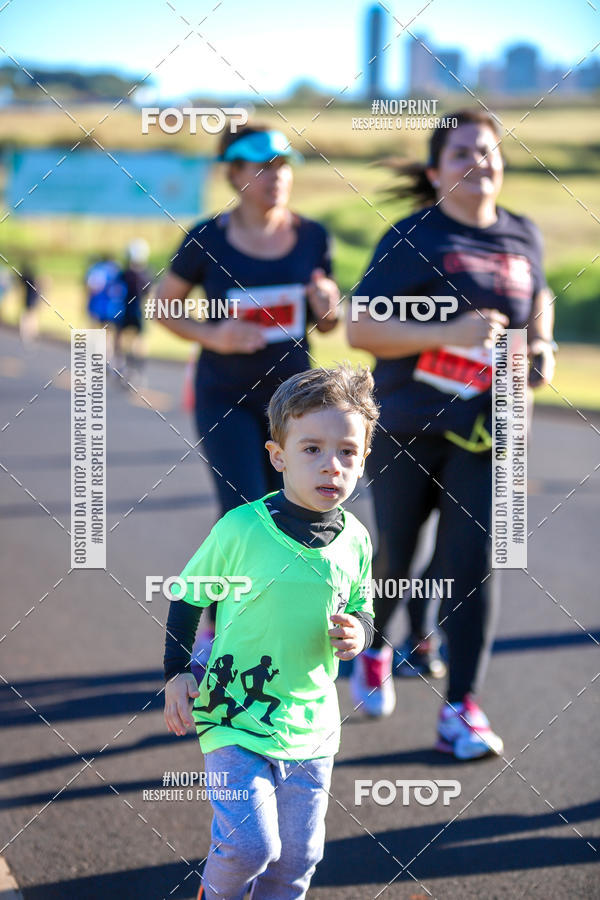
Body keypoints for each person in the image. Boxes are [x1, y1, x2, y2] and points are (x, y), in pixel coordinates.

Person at [347, 109, 556, 760]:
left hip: (492, 429)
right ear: (437, 171)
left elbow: (538, 296)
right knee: (397, 556)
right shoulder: (412, 237)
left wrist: (541, 345)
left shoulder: (524, 234)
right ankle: (377, 647)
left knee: (474, 563)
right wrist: (446, 333)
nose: (480, 161)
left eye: (489, 150)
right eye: (463, 151)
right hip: (410, 425)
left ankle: (461, 708)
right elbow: (360, 328)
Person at [163, 364, 378, 900]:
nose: (332, 465)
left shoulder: (356, 540)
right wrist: (174, 674)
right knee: (252, 846)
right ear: (278, 455)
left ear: (363, 459)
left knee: (297, 862)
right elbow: (189, 598)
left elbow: (361, 604)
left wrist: (361, 632)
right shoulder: (240, 529)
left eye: (347, 452)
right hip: (233, 711)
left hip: (312, 722)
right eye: (312, 449)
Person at [156, 123, 341, 677]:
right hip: (225, 398)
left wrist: (327, 303)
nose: (275, 178)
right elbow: (162, 307)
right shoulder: (205, 238)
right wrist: (214, 335)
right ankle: (213, 628)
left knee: (296, 510)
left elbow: (327, 323)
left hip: (295, 404)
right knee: (242, 512)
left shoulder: (313, 237)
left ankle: (283, 627)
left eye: (284, 167)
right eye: (262, 168)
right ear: (234, 174)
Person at [114, 238, 151, 382]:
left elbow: (116, 291)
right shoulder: (146, 274)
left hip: (124, 312)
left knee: (119, 337)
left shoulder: (124, 273)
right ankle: (139, 368)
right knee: (139, 339)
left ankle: (120, 363)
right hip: (138, 312)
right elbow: (149, 293)